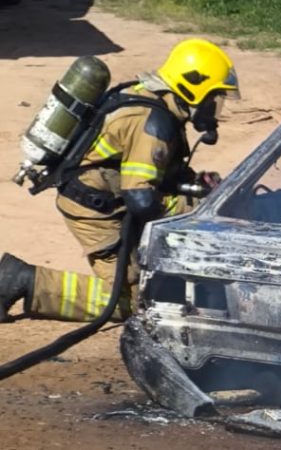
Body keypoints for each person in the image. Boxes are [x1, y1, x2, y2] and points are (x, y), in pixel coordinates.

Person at [0, 38, 239, 323]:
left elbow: (153, 170)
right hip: (94, 209)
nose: (215, 109)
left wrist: (194, 183)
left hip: (107, 199)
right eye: (214, 99)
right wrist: (192, 206)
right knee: (136, 301)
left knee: (152, 279)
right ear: (193, 87)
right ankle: (25, 281)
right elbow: (141, 198)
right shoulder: (153, 122)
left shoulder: (156, 105)